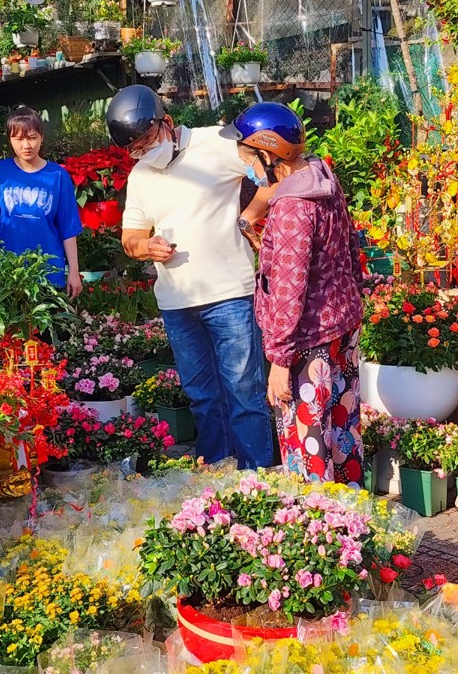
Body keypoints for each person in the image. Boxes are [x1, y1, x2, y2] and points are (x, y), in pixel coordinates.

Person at [107, 84, 274, 470]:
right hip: (177, 303)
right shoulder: (140, 176)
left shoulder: (214, 142)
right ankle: (217, 475)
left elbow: (273, 175)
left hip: (230, 294)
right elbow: (129, 238)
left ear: (165, 122)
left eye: (147, 141)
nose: (143, 152)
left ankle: (259, 480)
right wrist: (146, 246)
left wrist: (248, 215)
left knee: (244, 392)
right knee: (201, 395)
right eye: (133, 149)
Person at [220, 102, 364, 486]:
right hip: (341, 327)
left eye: (248, 155)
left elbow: (288, 289)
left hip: (307, 342)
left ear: (269, 153)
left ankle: (322, 531)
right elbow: (350, 254)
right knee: (342, 434)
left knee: (308, 446)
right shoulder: (323, 181)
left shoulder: (291, 207)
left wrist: (280, 360)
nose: (246, 165)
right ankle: (356, 525)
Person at [0, 106, 83, 299]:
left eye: (32, 137)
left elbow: (68, 230)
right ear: (10, 140)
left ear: (42, 137)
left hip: (48, 277)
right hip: (5, 277)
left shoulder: (58, 176)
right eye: (18, 139)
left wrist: (74, 272)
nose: (26, 145)